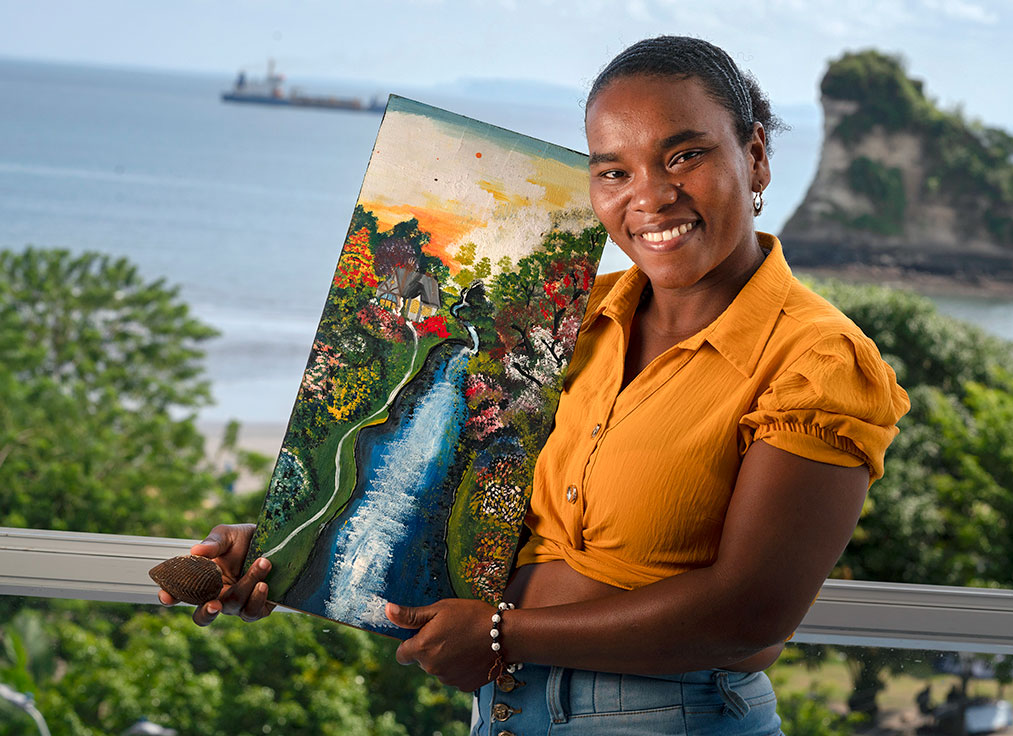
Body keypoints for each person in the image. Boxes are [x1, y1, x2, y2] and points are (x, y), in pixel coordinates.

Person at [160, 36, 910, 735]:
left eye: (684, 157)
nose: (648, 197)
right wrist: (288, 550)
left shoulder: (817, 362)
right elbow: (470, 525)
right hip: (508, 707)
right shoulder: (571, 322)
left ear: (756, 158)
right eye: (614, 171)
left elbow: (749, 615)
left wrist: (500, 633)